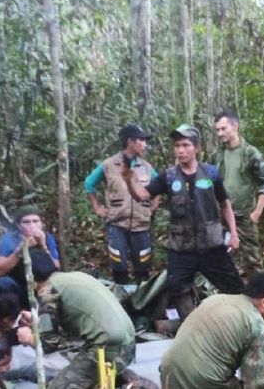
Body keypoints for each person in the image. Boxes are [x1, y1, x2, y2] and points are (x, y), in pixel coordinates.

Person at [124, 124, 244, 319]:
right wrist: (128, 178)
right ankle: (192, 325)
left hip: (211, 245)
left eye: (186, 145)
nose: (180, 150)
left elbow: (224, 204)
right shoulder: (169, 176)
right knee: (178, 288)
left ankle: (239, 324)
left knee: (234, 288)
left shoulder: (211, 173)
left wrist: (234, 234)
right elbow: (143, 195)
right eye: (177, 145)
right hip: (181, 248)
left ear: (197, 148)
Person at [17, 248, 154, 389]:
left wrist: (28, 338)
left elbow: (48, 344)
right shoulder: (75, 277)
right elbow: (75, 322)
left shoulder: (48, 292)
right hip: (128, 345)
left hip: (107, 350)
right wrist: (37, 322)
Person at [159, 273, 264, 389]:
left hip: (169, 375)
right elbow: (257, 385)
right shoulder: (257, 326)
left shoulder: (216, 299)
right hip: (200, 383)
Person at [84, 124, 160, 284]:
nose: (145, 145)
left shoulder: (146, 167)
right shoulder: (109, 165)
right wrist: (97, 207)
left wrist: (153, 207)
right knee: (118, 266)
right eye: (142, 141)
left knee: (143, 266)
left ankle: (142, 301)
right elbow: (89, 184)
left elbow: (158, 186)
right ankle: (121, 300)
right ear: (130, 142)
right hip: (117, 224)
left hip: (141, 225)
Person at [211, 111, 264, 278]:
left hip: (245, 216)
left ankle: (260, 298)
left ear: (235, 126)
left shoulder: (251, 154)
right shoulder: (216, 154)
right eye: (217, 130)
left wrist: (257, 212)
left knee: (252, 260)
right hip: (221, 216)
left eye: (223, 129)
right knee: (221, 258)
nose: (220, 133)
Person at [0, 205, 60, 309]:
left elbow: (56, 267)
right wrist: (19, 251)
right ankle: (12, 316)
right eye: (26, 222)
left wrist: (43, 246)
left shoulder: (47, 238)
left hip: (43, 286)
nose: (31, 225)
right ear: (19, 225)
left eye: (35, 221)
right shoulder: (9, 239)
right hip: (19, 285)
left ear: (41, 224)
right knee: (2, 284)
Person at [0, 294, 38, 383]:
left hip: (7, 369)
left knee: (33, 371)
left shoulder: (10, 329)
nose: (11, 324)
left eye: (13, 320)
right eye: (8, 320)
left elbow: (9, 358)